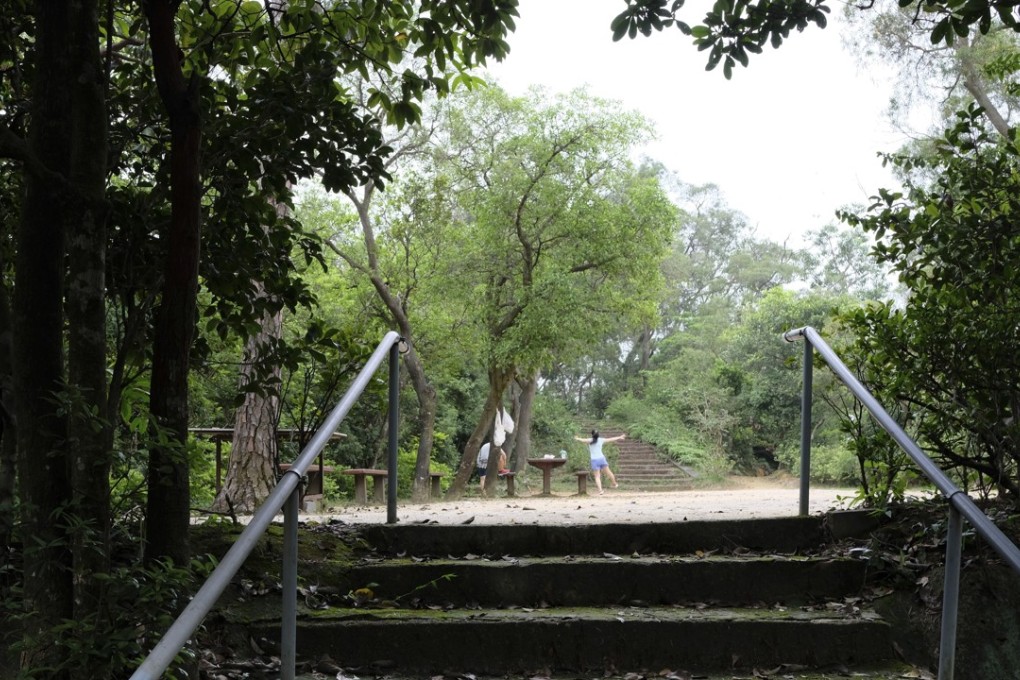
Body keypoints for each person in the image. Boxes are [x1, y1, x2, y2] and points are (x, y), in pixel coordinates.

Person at [574, 429, 624, 495]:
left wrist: (577, 438)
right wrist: (619, 437)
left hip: (594, 460)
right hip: (602, 458)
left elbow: (582, 440)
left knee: (597, 476)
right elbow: (611, 439)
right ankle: (615, 484)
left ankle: (600, 491)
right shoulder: (601, 440)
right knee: (609, 472)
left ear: (592, 435)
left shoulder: (590, 440)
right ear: (598, 435)